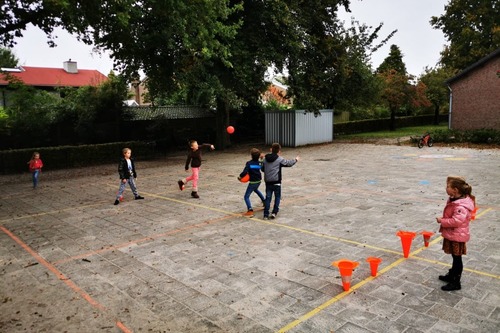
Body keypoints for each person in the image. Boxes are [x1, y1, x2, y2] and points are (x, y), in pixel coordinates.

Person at [436, 176, 476, 291]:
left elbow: (456, 221)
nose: (446, 188)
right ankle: (452, 274)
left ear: (455, 190)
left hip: (457, 235)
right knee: (454, 257)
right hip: (454, 234)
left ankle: (456, 282)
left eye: (448, 186)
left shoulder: (460, 206)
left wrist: (442, 221)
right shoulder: (454, 200)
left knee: (457, 258)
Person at [262, 143, 299, 220]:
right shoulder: (279, 159)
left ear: (271, 149)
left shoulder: (265, 159)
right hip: (276, 181)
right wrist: (295, 160)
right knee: (277, 197)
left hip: (268, 182)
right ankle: (274, 212)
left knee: (268, 197)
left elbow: (262, 169)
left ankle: (265, 214)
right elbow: (288, 163)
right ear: (279, 151)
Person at [238, 148, 266, 217]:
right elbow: (263, 167)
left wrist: (240, 177)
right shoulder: (260, 163)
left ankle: (250, 211)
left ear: (251, 156)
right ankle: (265, 202)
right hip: (259, 181)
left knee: (246, 196)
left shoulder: (249, 163)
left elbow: (244, 172)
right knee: (256, 190)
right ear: (258, 156)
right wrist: (262, 159)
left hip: (253, 182)